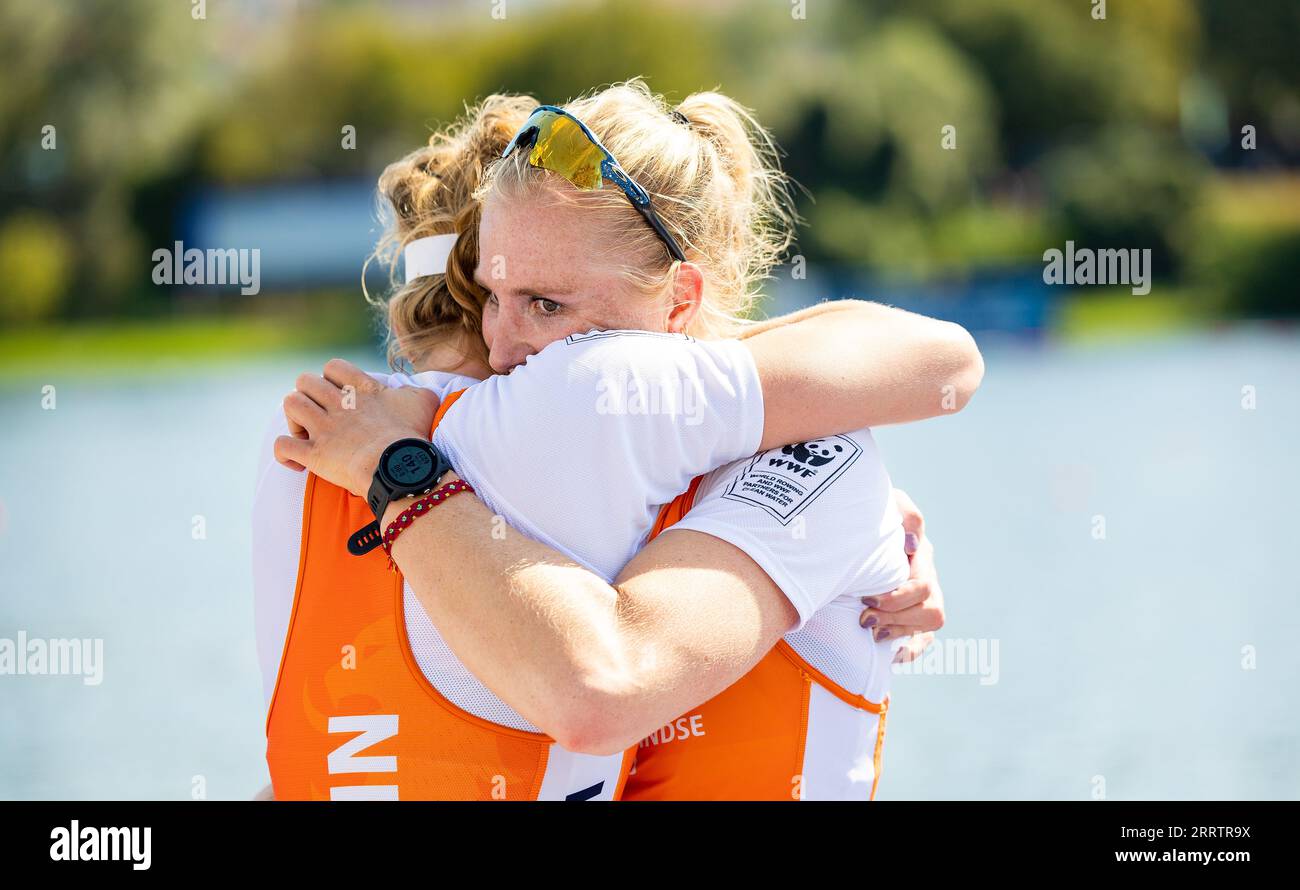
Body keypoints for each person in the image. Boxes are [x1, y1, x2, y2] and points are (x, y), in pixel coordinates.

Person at [265, 82, 977, 799]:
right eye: (492, 301)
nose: (505, 347)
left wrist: (397, 472)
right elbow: (946, 361)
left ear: (680, 301)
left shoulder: (565, 403)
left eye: (545, 305)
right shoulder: (615, 407)